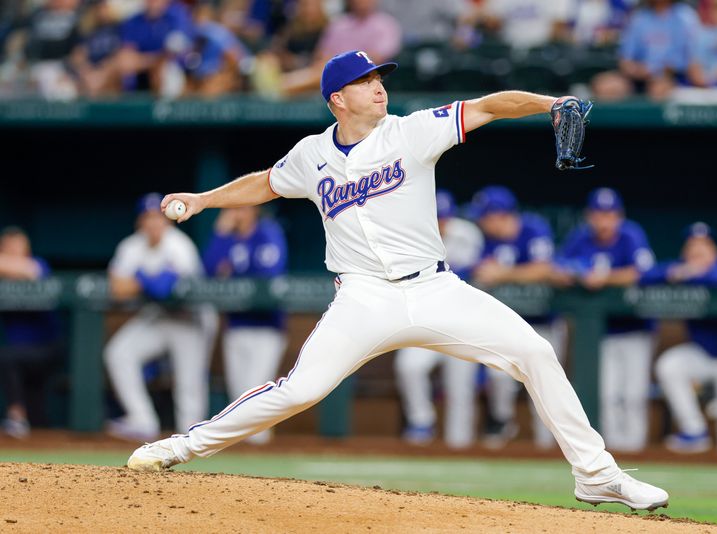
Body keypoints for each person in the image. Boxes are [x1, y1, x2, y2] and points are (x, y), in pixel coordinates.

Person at [127, 49, 669, 512]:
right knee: (301, 389)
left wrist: (548, 104)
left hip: (435, 289)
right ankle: (181, 446)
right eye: (365, 82)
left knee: (535, 352)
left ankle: (596, 474)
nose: (379, 87)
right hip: (363, 297)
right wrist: (202, 199)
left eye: (379, 79)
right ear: (337, 98)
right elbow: (266, 184)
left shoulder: (411, 131)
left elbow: (486, 106)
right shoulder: (311, 155)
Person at [552, 187, 656, 453]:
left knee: (633, 395)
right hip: (603, 334)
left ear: (618, 215)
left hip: (635, 330)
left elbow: (641, 272)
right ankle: (614, 452)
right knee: (607, 395)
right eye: (599, 214)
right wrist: (575, 274)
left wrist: (604, 277)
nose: (604, 220)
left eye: (609, 214)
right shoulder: (581, 237)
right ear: (590, 216)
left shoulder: (631, 234)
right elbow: (557, 266)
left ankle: (635, 449)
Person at [104, 193, 213, 441]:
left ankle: (193, 435)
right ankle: (141, 420)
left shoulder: (180, 245)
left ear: (168, 221)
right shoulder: (131, 246)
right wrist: (147, 280)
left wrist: (139, 277)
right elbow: (117, 288)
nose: (153, 223)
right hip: (158, 318)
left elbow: (166, 288)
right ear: (140, 222)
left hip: (190, 319)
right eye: (148, 217)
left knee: (189, 384)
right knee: (119, 353)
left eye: (158, 217)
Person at [648, 222, 717, 455]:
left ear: (713, 251)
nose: (697, 252)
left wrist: (693, 272)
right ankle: (694, 429)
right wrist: (678, 272)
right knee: (670, 365)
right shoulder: (680, 269)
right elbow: (646, 276)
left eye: (703, 247)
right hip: (703, 354)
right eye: (692, 247)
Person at [469, 185, 564, 450]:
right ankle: (502, 422)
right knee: (499, 375)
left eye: (485, 216)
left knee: (544, 384)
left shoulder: (533, 228)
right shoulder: (487, 241)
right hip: (507, 324)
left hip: (543, 322)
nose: (481, 222)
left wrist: (504, 274)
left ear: (500, 215)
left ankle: (548, 445)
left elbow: (545, 269)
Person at [393, 189, 485, 449]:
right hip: (427, 321)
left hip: (463, 323)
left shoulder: (466, 234)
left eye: (444, 217)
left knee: (460, 390)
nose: (440, 223)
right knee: (409, 366)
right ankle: (421, 421)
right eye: (435, 217)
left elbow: (466, 274)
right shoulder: (410, 235)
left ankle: (460, 447)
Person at [203, 206, 288, 445]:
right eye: (233, 208)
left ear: (253, 210)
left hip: (267, 328)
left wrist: (232, 275)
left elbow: (268, 274)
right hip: (236, 325)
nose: (236, 213)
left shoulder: (268, 232)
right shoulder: (228, 240)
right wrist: (220, 234)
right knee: (238, 396)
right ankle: (245, 461)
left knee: (255, 392)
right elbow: (208, 272)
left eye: (241, 208)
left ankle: (261, 448)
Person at [0, 227, 61, 439]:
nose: (14, 252)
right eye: (8, 248)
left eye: (18, 247)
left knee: (6, 357)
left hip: (46, 349)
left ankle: (16, 417)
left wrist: (7, 261)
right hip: (20, 353)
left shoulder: (38, 264)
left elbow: (30, 270)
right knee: (37, 418)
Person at [591, 0, 699, 101]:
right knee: (603, 86)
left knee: (657, 90)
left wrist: (653, 70)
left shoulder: (684, 17)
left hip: (671, 78)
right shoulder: (639, 17)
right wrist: (635, 70)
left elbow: (682, 61)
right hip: (638, 77)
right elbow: (625, 59)